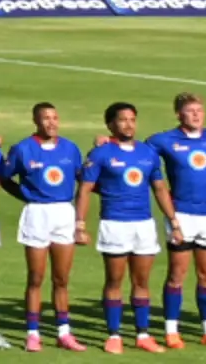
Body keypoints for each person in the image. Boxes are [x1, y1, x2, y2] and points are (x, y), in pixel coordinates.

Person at [84, 102, 166, 353]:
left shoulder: (148, 153)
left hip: (144, 223)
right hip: (115, 222)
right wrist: (80, 223)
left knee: (142, 281)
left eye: (132, 119)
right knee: (115, 281)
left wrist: (173, 219)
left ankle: (143, 334)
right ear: (110, 125)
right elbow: (85, 188)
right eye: (123, 120)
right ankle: (114, 335)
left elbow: (160, 188)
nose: (129, 124)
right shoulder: (100, 153)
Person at [155, 92, 206, 350]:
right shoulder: (165, 140)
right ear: (179, 114)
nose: (197, 115)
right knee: (177, 275)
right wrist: (104, 141)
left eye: (200, 110)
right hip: (181, 215)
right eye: (191, 111)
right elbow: (136, 151)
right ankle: (171, 330)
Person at [9, 102, 85, 352]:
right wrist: (25, 195)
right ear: (36, 121)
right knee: (36, 277)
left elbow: (84, 179)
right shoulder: (23, 149)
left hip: (64, 212)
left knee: (61, 278)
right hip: (37, 214)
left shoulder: (70, 148)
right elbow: (3, 174)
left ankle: (64, 333)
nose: (51, 122)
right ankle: (33, 333)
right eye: (45, 118)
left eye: (55, 117)